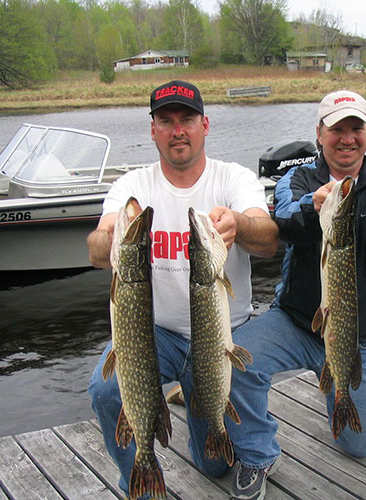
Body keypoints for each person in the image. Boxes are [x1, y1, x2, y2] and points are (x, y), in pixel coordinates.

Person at [217, 89, 366, 500]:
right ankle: (259, 451)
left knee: (358, 445)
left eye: (357, 128)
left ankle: (335, 388)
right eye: (337, 129)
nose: (347, 138)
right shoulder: (297, 179)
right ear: (320, 133)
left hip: (359, 336)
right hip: (297, 321)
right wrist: (311, 206)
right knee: (233, 363)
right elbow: (282, 222)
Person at [86, 80, 279, 499]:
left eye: (187, 119)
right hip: (154, 336)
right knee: (105, 390)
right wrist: (113, 239)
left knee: (212, 463)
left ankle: (198, 407)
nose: (178, 130)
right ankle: (135, 477)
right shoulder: (132, 184)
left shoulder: (234, 178)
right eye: (166, 120)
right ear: (152, 129)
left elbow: (268, 240)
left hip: (222, 337)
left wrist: (240, 226)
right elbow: (98, 249)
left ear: (204, 125)